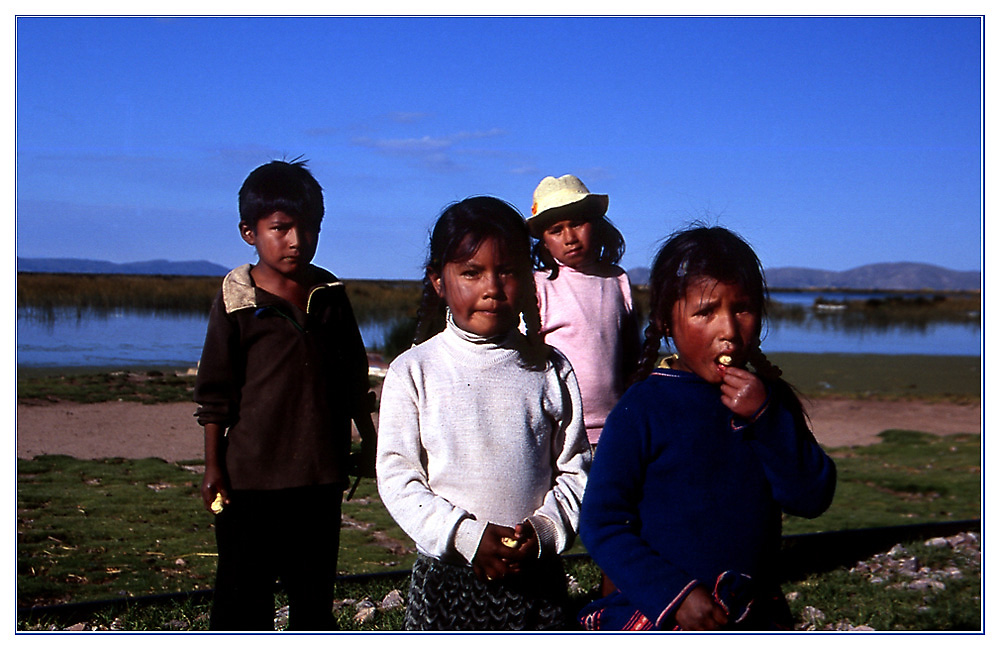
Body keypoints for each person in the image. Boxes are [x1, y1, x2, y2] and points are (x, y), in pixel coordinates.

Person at [577, 225, 837, 631]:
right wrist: (674, 596)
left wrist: (767, 419)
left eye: (743, 308)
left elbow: (811, 496)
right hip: (660, 613)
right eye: (705, 312)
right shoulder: (643, 408)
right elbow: (601, 523)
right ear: (665, 319)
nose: (729, 331)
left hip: (750, 615)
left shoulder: (769, 403)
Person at [376, 196, 592, 630]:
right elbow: (399, 478)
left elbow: (576, 469)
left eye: (507, 270)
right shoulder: (414, 371)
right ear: (439, 281)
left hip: (536, 577)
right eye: (471, 272)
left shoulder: (551, 369)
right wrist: (467, 537)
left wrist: (545, 531)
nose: (491, 286)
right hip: (446, 580)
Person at [194, 159, 376, 631]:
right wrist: (214, 466)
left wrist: (369, 439)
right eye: (281, 228)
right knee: (241, 598)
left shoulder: (330, 294)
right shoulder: (237, 300)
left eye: (309, 227)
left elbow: (354, 377)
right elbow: (216, 393)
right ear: (248, 232)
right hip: (250, 478)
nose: (297, 240)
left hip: (320, 475)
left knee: (313, 599)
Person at [528, 174, 639, 447]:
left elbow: (632, 353)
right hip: (559, 432)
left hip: (614, 427)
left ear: (597, 226)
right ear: (543, 241)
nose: (569, 238)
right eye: (556, 230)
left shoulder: (617, 280)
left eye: (577, 224)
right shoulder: (539, 285)